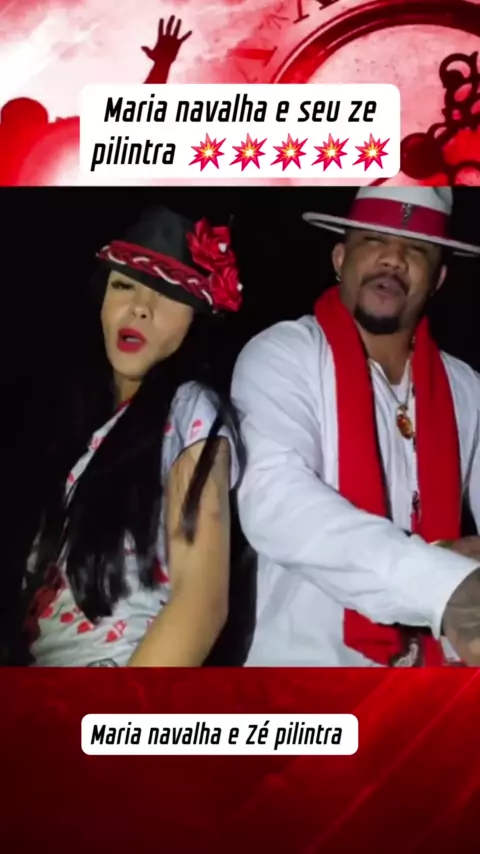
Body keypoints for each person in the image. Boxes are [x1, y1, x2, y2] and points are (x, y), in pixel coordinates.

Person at [232, 185, 480, 667]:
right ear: (340, 258)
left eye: (417, 249)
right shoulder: (285, 354)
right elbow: (275, 498)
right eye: (373, 240)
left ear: (438, 278)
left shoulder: (465, 386)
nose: (393, 259)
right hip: (304, 679)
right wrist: (442, 584)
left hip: (434, 680)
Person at [20, 204, 248, 667]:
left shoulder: (189, 409)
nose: (141, 307)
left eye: (169, 293)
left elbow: (201, 603)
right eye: (124, 285)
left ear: (195, 319)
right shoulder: (81, 431)